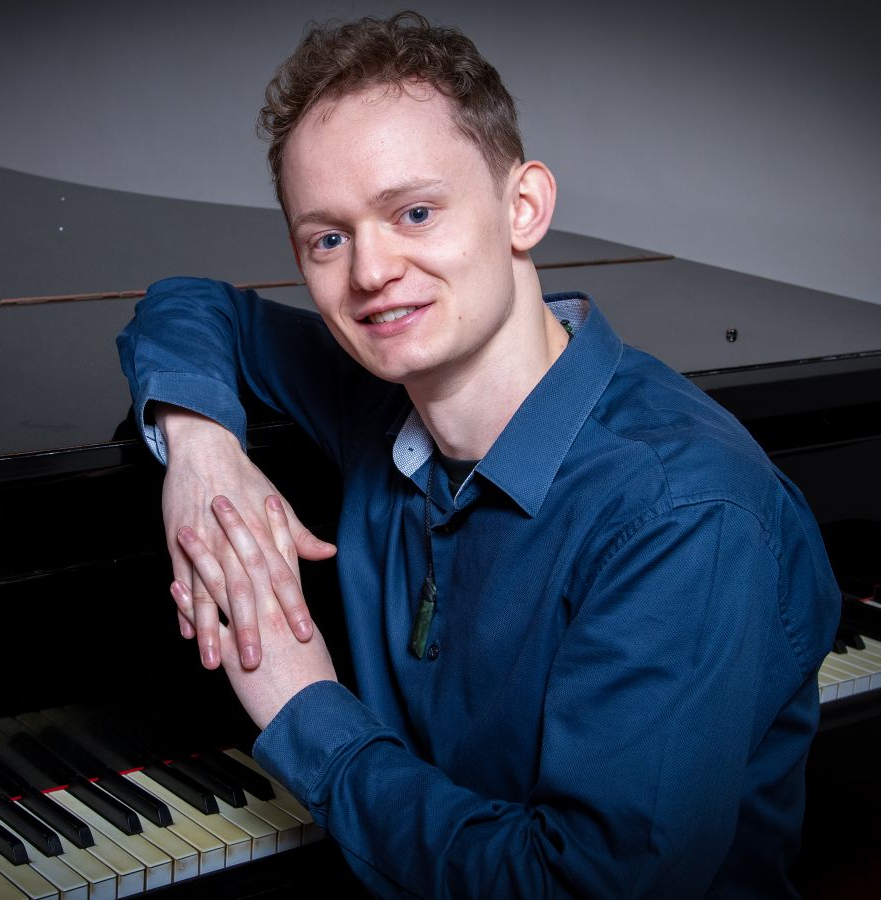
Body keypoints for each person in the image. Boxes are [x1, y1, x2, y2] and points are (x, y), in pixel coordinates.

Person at [116, 11, 839, 897]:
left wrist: (307, 713)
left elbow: (573, 887)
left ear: (522, 207)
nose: (371, 272)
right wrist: (201, 452)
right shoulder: (377, 389)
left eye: (415, 212)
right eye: (327, 238)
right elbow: (187, 303)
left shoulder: (681, 513)